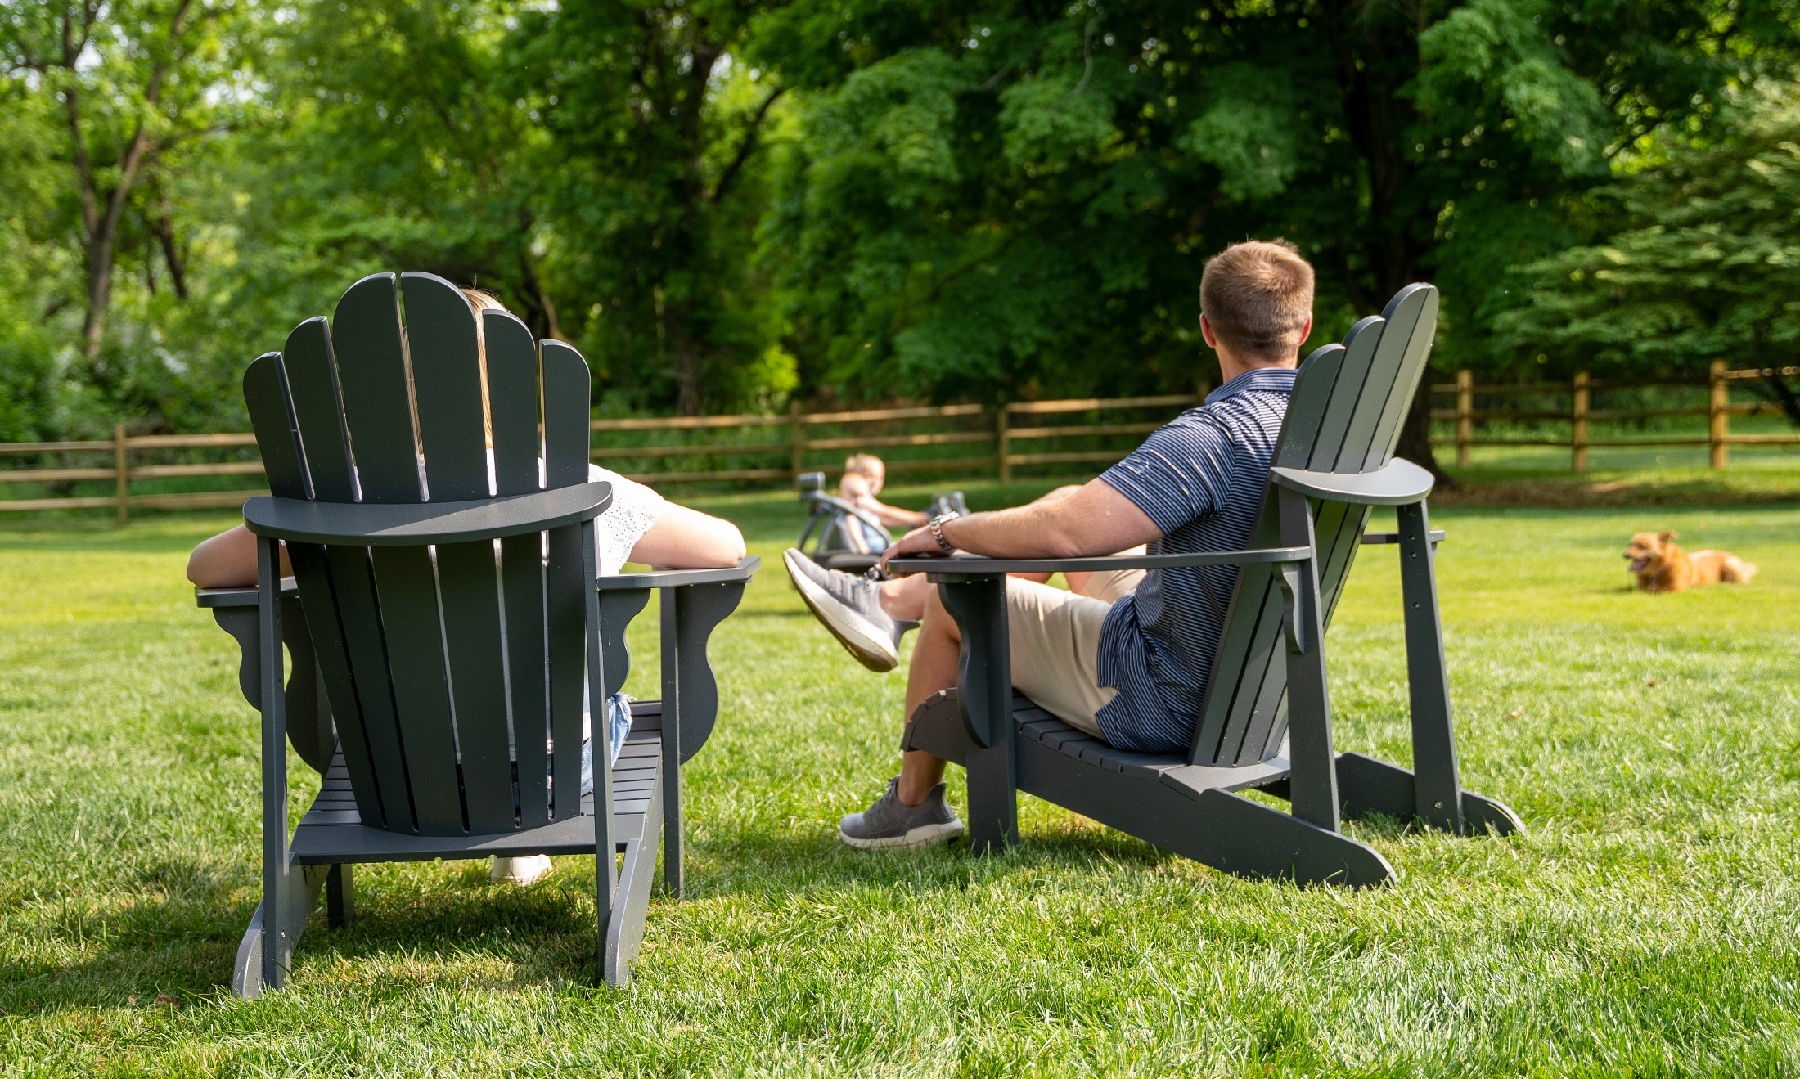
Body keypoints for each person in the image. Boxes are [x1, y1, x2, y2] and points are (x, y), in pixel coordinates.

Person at [187, 289, 747, 884]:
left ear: (394, 385)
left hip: (394, 775)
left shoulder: (337, 500)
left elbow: (205, 567)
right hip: (555, 773)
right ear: (513, 379)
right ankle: (522, 833)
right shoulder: (574, 485)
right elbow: (724, 546)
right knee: (610, 707)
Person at [784, 239, 1315, 849]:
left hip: (1167, 695)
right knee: (1070, 497)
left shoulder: (1214, 437)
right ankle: (889, 606)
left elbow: (1069, 534)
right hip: (1251, 680)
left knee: (958, 600)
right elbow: (1079, 517)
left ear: (1206, 330)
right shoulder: (1321, 432)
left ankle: (914, 804)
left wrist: (944, 531)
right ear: (1303, 326)